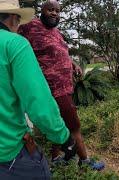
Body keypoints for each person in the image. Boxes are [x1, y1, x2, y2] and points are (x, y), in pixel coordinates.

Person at [18, 0, 105, 170]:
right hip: (52, 88)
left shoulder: (56, 32)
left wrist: (73, 64)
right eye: (50, 10)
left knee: (59, 121)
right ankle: (85, 161)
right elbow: (12, 37)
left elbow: (61, 52)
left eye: (58, 11)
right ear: (41, 11)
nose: (55, 13)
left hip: (66, 86)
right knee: (74, 126)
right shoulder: (30, 27)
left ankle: (56, 157)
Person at [0, 0, 76, 179]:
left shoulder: (57, 34)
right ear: (13, 18)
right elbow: (39, 104)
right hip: (8, 152)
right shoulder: (15, 44)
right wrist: (63, 137)